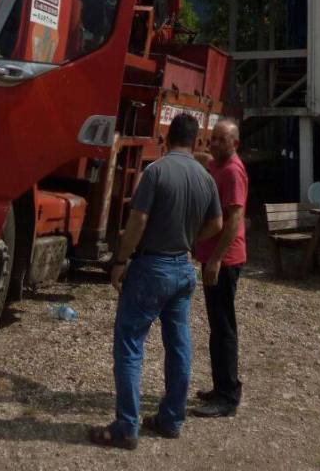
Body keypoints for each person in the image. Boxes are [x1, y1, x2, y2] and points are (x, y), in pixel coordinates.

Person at [90, 112, 222, 450]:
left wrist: (120, 260)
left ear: (167, 139)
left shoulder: (157, 171)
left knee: (131, 344)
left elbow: (139, 219)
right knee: (179, 346)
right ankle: (171, 420)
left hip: (152, 267)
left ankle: (126, 427)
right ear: (195, 142)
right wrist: (191, 241)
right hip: (182, 268)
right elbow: (217, 224)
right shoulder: (206, 178)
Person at [191, 117, 249, 419]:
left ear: (235, 144)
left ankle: (227, 397)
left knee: (224, 327)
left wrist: (215, 260)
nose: (212, 144)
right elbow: (203, 158)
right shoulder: (216, 163)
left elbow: (234, 220)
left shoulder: (232, 172)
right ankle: (222, 386)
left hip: (224, 261)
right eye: (211, 138)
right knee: (216, 326)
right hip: (212, 258)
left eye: (219, 140)